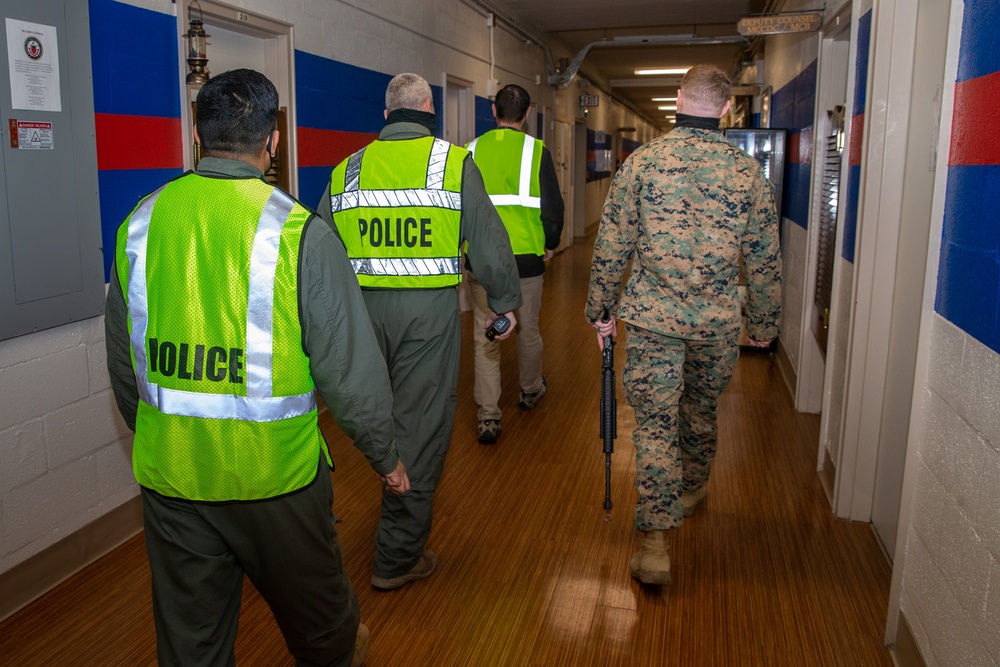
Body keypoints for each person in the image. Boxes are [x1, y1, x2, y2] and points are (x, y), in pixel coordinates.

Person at [105, 69, 409, 667]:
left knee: (192, 645)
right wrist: (386, 454)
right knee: (325, 633)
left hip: (173, 479)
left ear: (196, 134)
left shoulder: (139, 223)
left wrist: (162, 436)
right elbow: (350, 375)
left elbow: (124, 366)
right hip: (276, 481)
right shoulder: (300, 233)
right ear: (273, 142)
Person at [317, 73, 522, 590]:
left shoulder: (346, 171)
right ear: (429, 111)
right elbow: (488, 240)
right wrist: (505, 302)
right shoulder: (454, 164)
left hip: (361, 317)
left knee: (363, 415)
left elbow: (317, 251)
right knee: (422, 427)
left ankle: (334, 526)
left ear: (386, 117)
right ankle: (397, 557)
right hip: (427, 318)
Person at [585, 64, 781, 586]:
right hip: (716, 323)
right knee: (700, 411)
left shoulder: (643, 164)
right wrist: (763, 323)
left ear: (677, 98)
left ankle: (654, 544)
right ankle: (691, 489)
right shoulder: (746, 173)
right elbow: (763, 257)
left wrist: (601, 309)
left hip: (652, 320)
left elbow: (613, 244)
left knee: (653, 425)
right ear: (725, 109)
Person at [464, 83, 565, 444]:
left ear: (494, 111)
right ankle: (530, 390)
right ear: (527, 113)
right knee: (527, 329)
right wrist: (550, 244)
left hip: (482, 259)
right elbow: (553, 210)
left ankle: (488, 416)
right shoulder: (538, 152)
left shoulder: (470, 151)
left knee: (485, 335)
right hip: (525, 259)